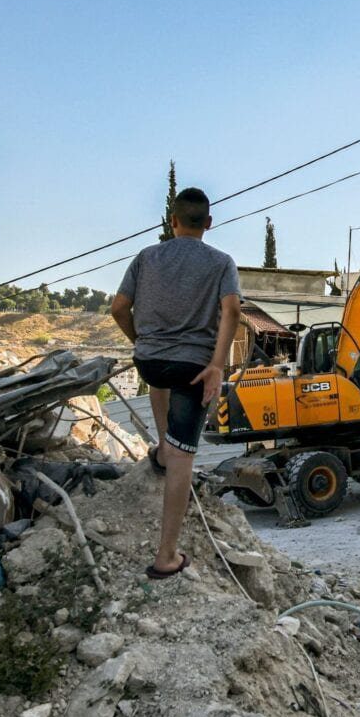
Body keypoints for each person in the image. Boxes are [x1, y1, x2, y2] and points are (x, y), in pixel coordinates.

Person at [111, 187, 240, 579]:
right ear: (209, 223)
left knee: (160, 378)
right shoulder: (221, 262)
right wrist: (218, 365)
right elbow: (232, 310)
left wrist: (142, 341)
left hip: (150, 362)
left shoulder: (147, 256)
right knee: (186, 456)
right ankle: (166, 556)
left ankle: (163, 449)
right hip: (194, 366)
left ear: (173, 221)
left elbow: (118, 307)